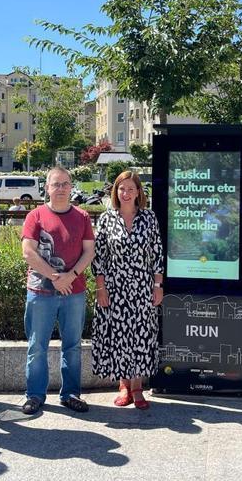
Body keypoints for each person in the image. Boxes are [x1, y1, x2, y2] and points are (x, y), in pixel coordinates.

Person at [21, 166, 95, 415]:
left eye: (65, 184)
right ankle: (34, 395)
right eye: (56, 184)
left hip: (73, 292)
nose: (61, 188)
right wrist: (54, 277)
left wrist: (70, 276)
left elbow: (89, 252)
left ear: (71, 186)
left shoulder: (82, 217)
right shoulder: (36, 216)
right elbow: (28, 251)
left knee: (72, 345)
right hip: (40, 292)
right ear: (47, 188)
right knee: (36, 345)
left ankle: (71, 393)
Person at [92, 170, 163, 410]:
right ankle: (123, 386)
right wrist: (100, 287)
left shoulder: (149, 218)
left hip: (143, 286)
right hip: (115, 286)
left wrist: (157, 285)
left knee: (141, 335)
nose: (126, 193)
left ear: (138, 192)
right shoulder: (106, 219)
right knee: (120, 336)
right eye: (122, 188)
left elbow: (157, 254)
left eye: (131, 188)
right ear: (116, 191)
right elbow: (99, 257)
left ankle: (138, 387)